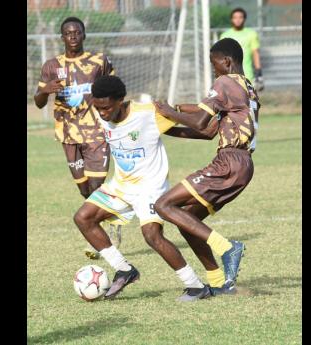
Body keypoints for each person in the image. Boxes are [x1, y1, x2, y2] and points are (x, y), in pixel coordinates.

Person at [73, 75, 212, 302]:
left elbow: (195, 115)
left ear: (120, 100)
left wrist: (218, 113)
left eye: (106, 108)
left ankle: (196, 286)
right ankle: (125, 270)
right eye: (97, 108)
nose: (102, 113)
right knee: (83, 217)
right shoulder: (102, 116)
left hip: (150, 187)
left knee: (152, 236)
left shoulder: (148, 113)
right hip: (121, 185)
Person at [153, 38, 260, 293]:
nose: (214, 71)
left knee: (163, 205)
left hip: (230, 162)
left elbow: (200, 121)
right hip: (243, 164)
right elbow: (209, 131)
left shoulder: (225, 82)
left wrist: (168, 111)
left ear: (226, 61)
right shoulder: (247, 86)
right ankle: (216, 282)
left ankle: (227, 247)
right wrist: (165, 130)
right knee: (187, 220)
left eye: (214, 65)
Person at [33, 17, 122, 257]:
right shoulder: (52, 66)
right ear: (61, 37)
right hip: (67, 133)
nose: (73, 36)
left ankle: (104, 236)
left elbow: (115, 88)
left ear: (83, 35)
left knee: (96, 186)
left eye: (77, 32)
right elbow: (38, 101)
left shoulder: (98, 61)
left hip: (96, 131)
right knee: (85, 190)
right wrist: (44, 90)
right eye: (68, 33)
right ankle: (112, 219)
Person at [220, 7, 264, 91]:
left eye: (240, 17)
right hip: (230, 76)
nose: (238, 20)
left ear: (244, 19)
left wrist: (259, 72)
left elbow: (255, 53)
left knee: (247, 102)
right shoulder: (225, 35)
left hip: (247, 75)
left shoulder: (251, 34)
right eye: (235, 17)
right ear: (231, 19)